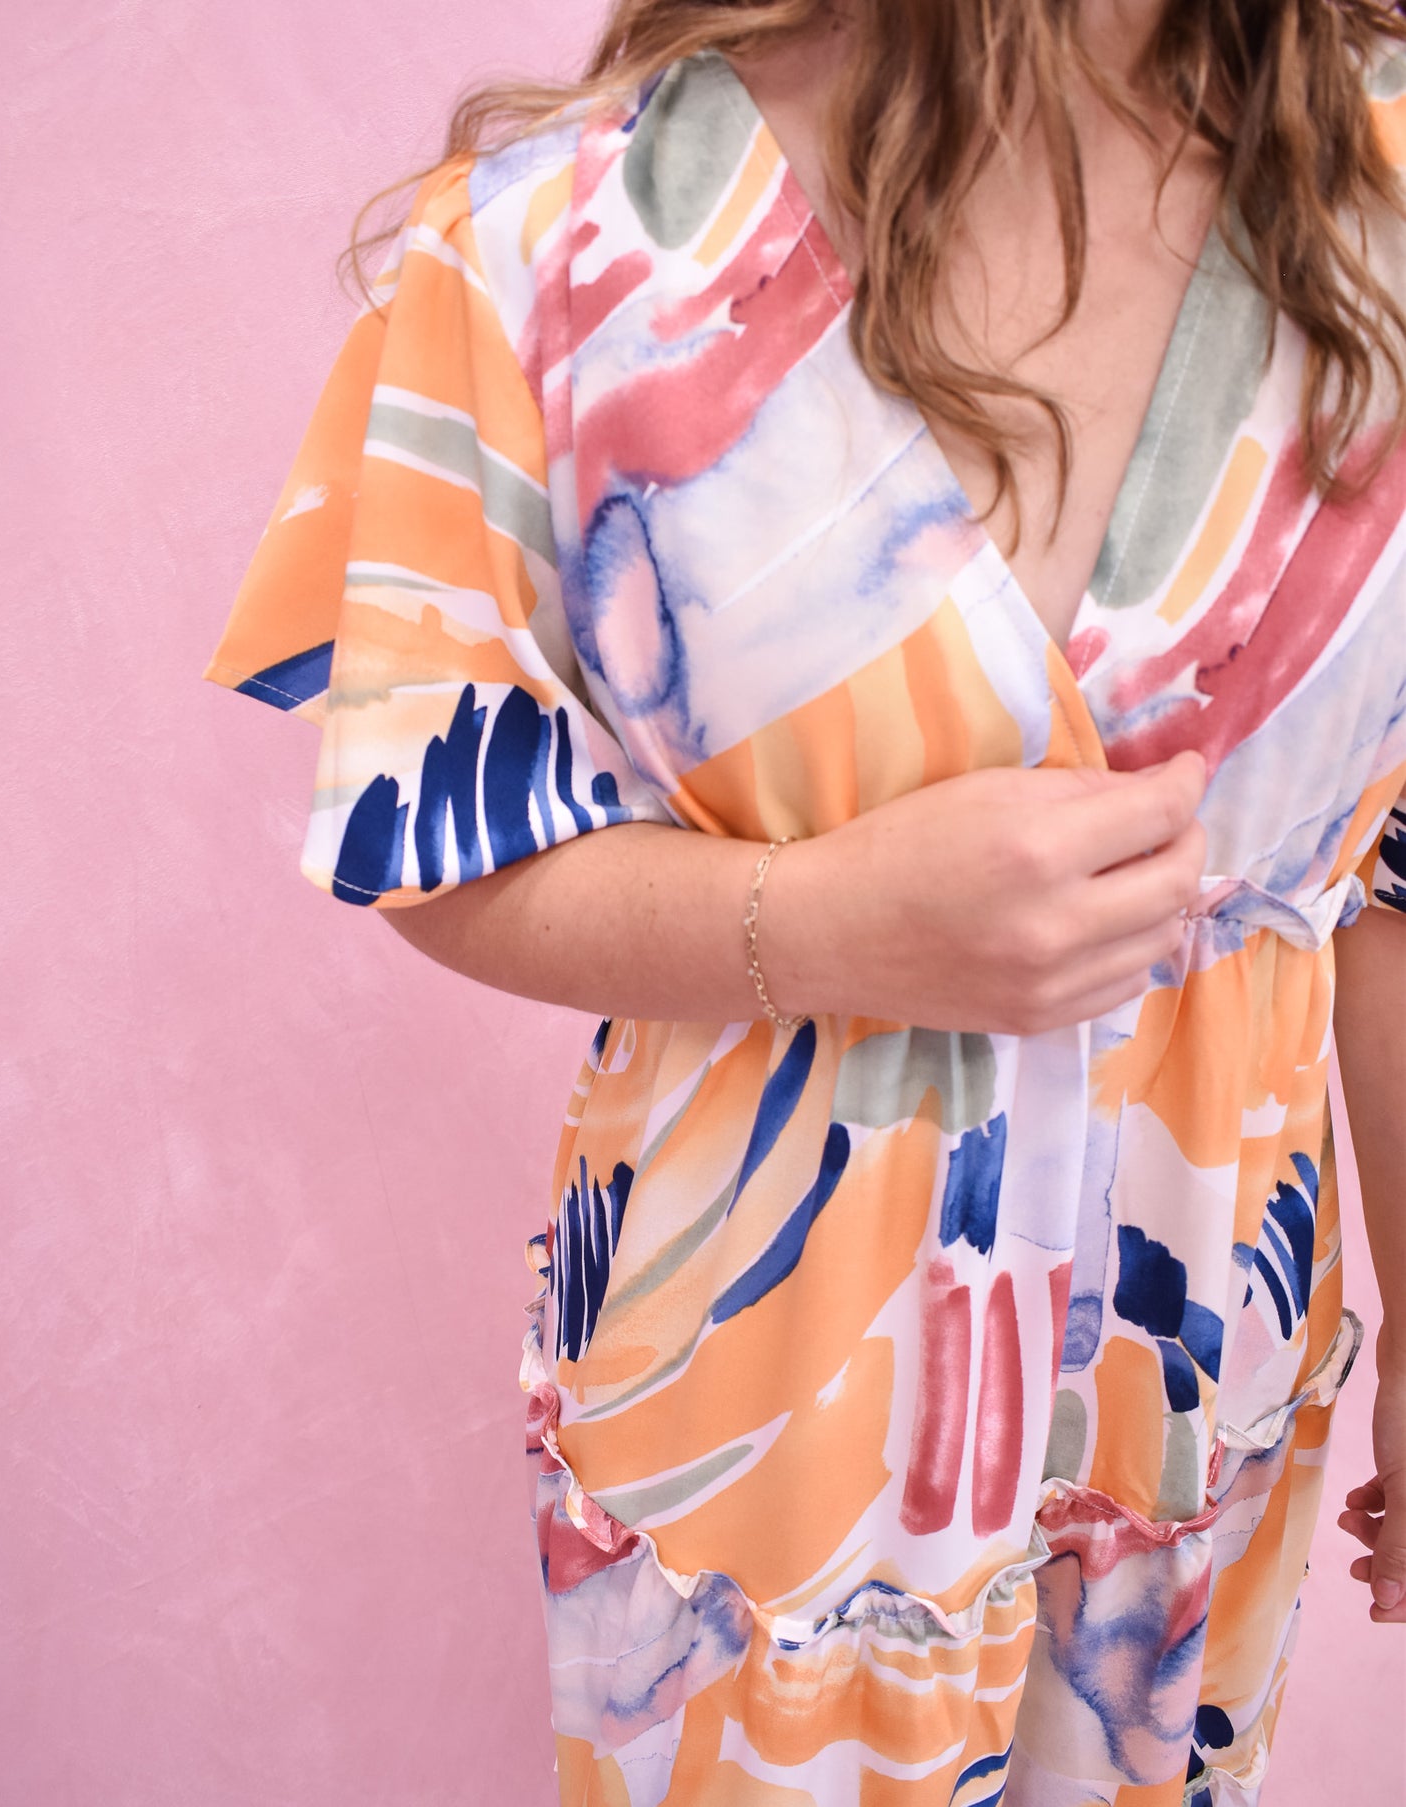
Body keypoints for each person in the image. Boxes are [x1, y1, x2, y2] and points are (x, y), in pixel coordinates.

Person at [204, 0, 1406, 1799]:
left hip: (1194, 1401)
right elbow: (437, 841)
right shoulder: (570, 243)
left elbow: (1390, 859)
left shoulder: (1382, 189)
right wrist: (826, 921)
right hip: (762, 1425)